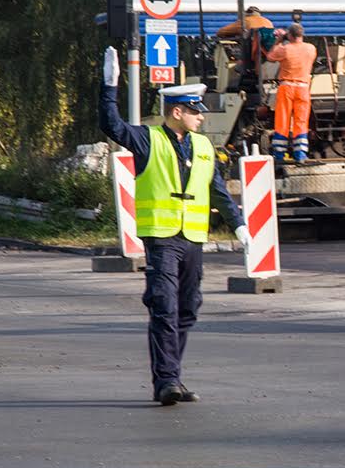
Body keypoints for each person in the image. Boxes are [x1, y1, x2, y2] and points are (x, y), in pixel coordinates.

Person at [99, 47, 249, 406]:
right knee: (164, 306)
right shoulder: (147, 139)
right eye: (195, 111)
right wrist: (109, 86)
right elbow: (112, 125)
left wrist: (239, 226)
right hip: (162, 238)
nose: (201, 116)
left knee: (187, 308)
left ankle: (173, 377)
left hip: (193, 239)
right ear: (177, 112)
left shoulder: (204, 146)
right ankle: (166, 381)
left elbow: (217, 190)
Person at [265, 22, 317, 162]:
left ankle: (279, 154)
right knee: (301, 121)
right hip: (303, 88)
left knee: (282, 120)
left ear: (290, 35)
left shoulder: (285, 49)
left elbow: (270, 56)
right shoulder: (311, 48)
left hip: (287, 88)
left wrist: (279, 40)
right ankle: (300, 155)